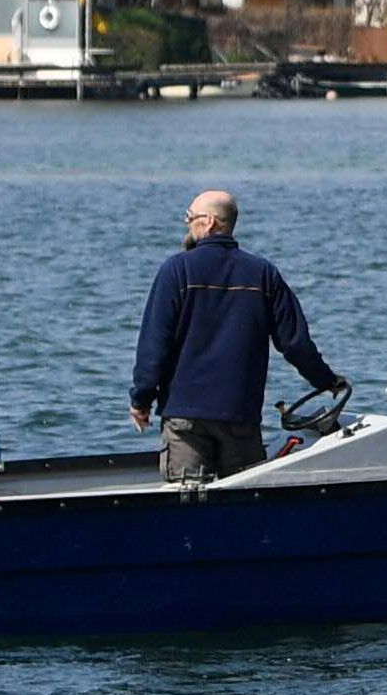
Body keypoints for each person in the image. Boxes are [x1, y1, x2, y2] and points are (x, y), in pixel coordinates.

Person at [129, 189, 346, 483]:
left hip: (185, 420)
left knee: (187, 506)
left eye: (189, 218)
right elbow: (296, 344)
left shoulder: (175, 271)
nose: (187, 225)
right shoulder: (263, 274)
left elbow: (155, 345)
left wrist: (142, 400)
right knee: (244, 505)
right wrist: (326, 381)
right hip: (240, 416)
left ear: (208, 222)